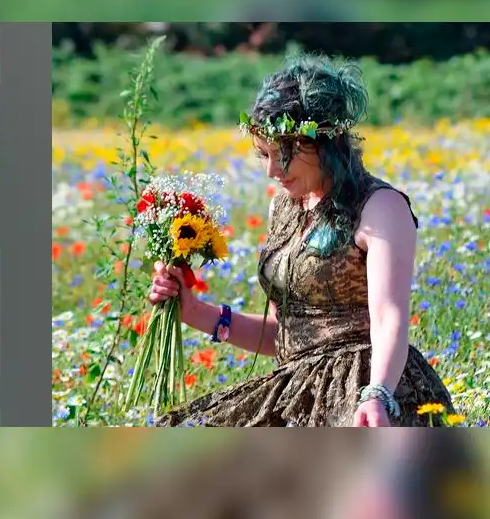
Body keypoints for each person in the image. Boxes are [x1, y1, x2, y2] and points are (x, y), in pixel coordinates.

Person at [148, 54, 455, 427]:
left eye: (284, 155)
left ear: (325, 143)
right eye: (264, 154)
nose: (272, 170)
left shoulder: (381, 207)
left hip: (366, 386)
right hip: (297, 388)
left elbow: (389, 316)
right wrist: (193, 311)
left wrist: (378, 394)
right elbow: (284, 332)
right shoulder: (287, 206)